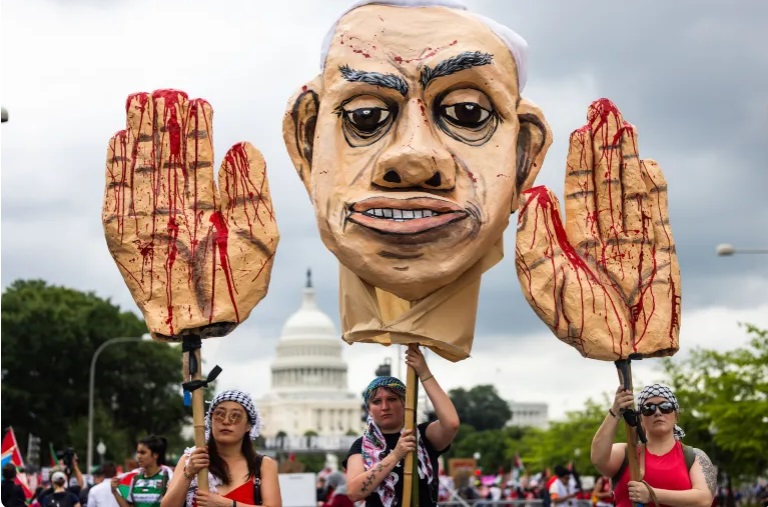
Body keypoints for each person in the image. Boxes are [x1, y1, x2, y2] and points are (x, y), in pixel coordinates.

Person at [344, 347, 460, 507]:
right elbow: (354, 492)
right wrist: (395, 455)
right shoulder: (361, 446)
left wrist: (424, 372)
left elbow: (451, 424)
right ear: (369, 410)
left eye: (392, 399)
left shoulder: (421, 436)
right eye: (377, 402)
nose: (385, 407)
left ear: (405, 403)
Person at [591, 384, 717, 507]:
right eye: (648, 408)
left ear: (676, 415)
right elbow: (598, 459)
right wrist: (615, 412)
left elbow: (704, 500)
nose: (657, 412)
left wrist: (652, 494)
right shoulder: (626, 452)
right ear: (641, 418)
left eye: (665, 407)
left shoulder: (694, 456)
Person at [161, 389, 281, 507]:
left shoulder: (263, 465)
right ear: (210, 421)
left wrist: (227, 504)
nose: (226, 421)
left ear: (248, 425)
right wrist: (189, 473)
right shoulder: (190, 459)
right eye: (219, 414)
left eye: (235, 416)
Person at [111, 435, 173, 507]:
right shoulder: (135, 478)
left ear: (155, 455)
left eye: (143, 453)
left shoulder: (169, 477)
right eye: (138, 452)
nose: (138, 456)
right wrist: (114, 491)